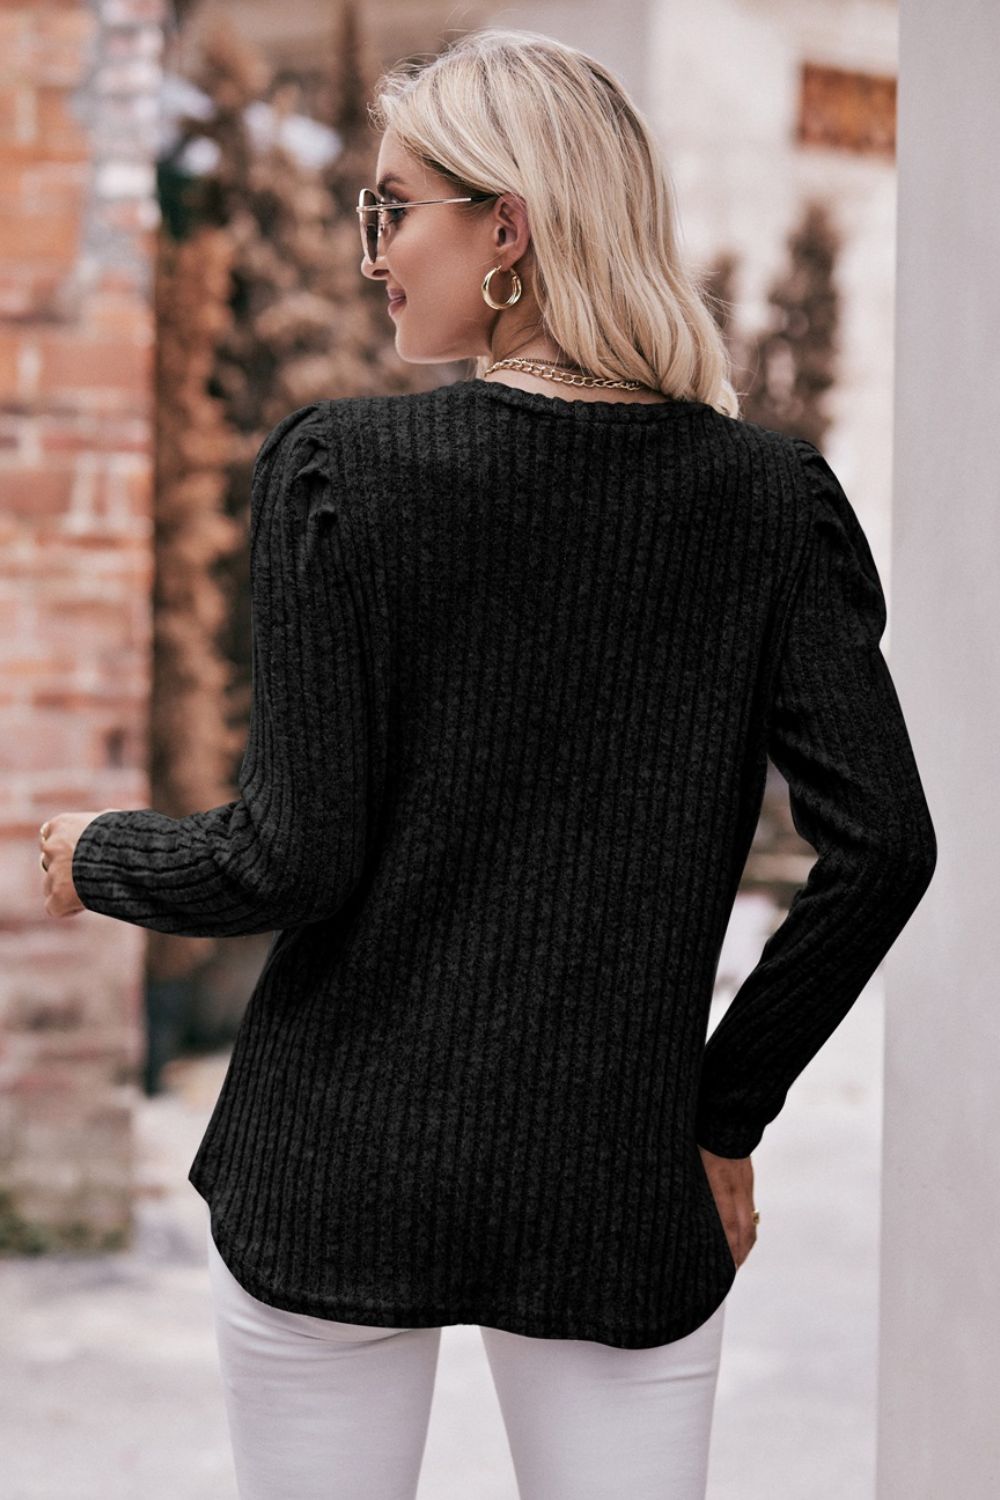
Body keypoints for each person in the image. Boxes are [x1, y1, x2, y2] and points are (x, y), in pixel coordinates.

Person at [39, 25, 938, 1500]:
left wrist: (94, 854)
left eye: (394, 209)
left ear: (507, 227)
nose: (373, 253)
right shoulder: (770, 502)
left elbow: (289, 857)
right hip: (612, 1185)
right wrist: (722, 1113)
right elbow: (885, 849)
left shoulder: (343, 475)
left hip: (336, 1168)